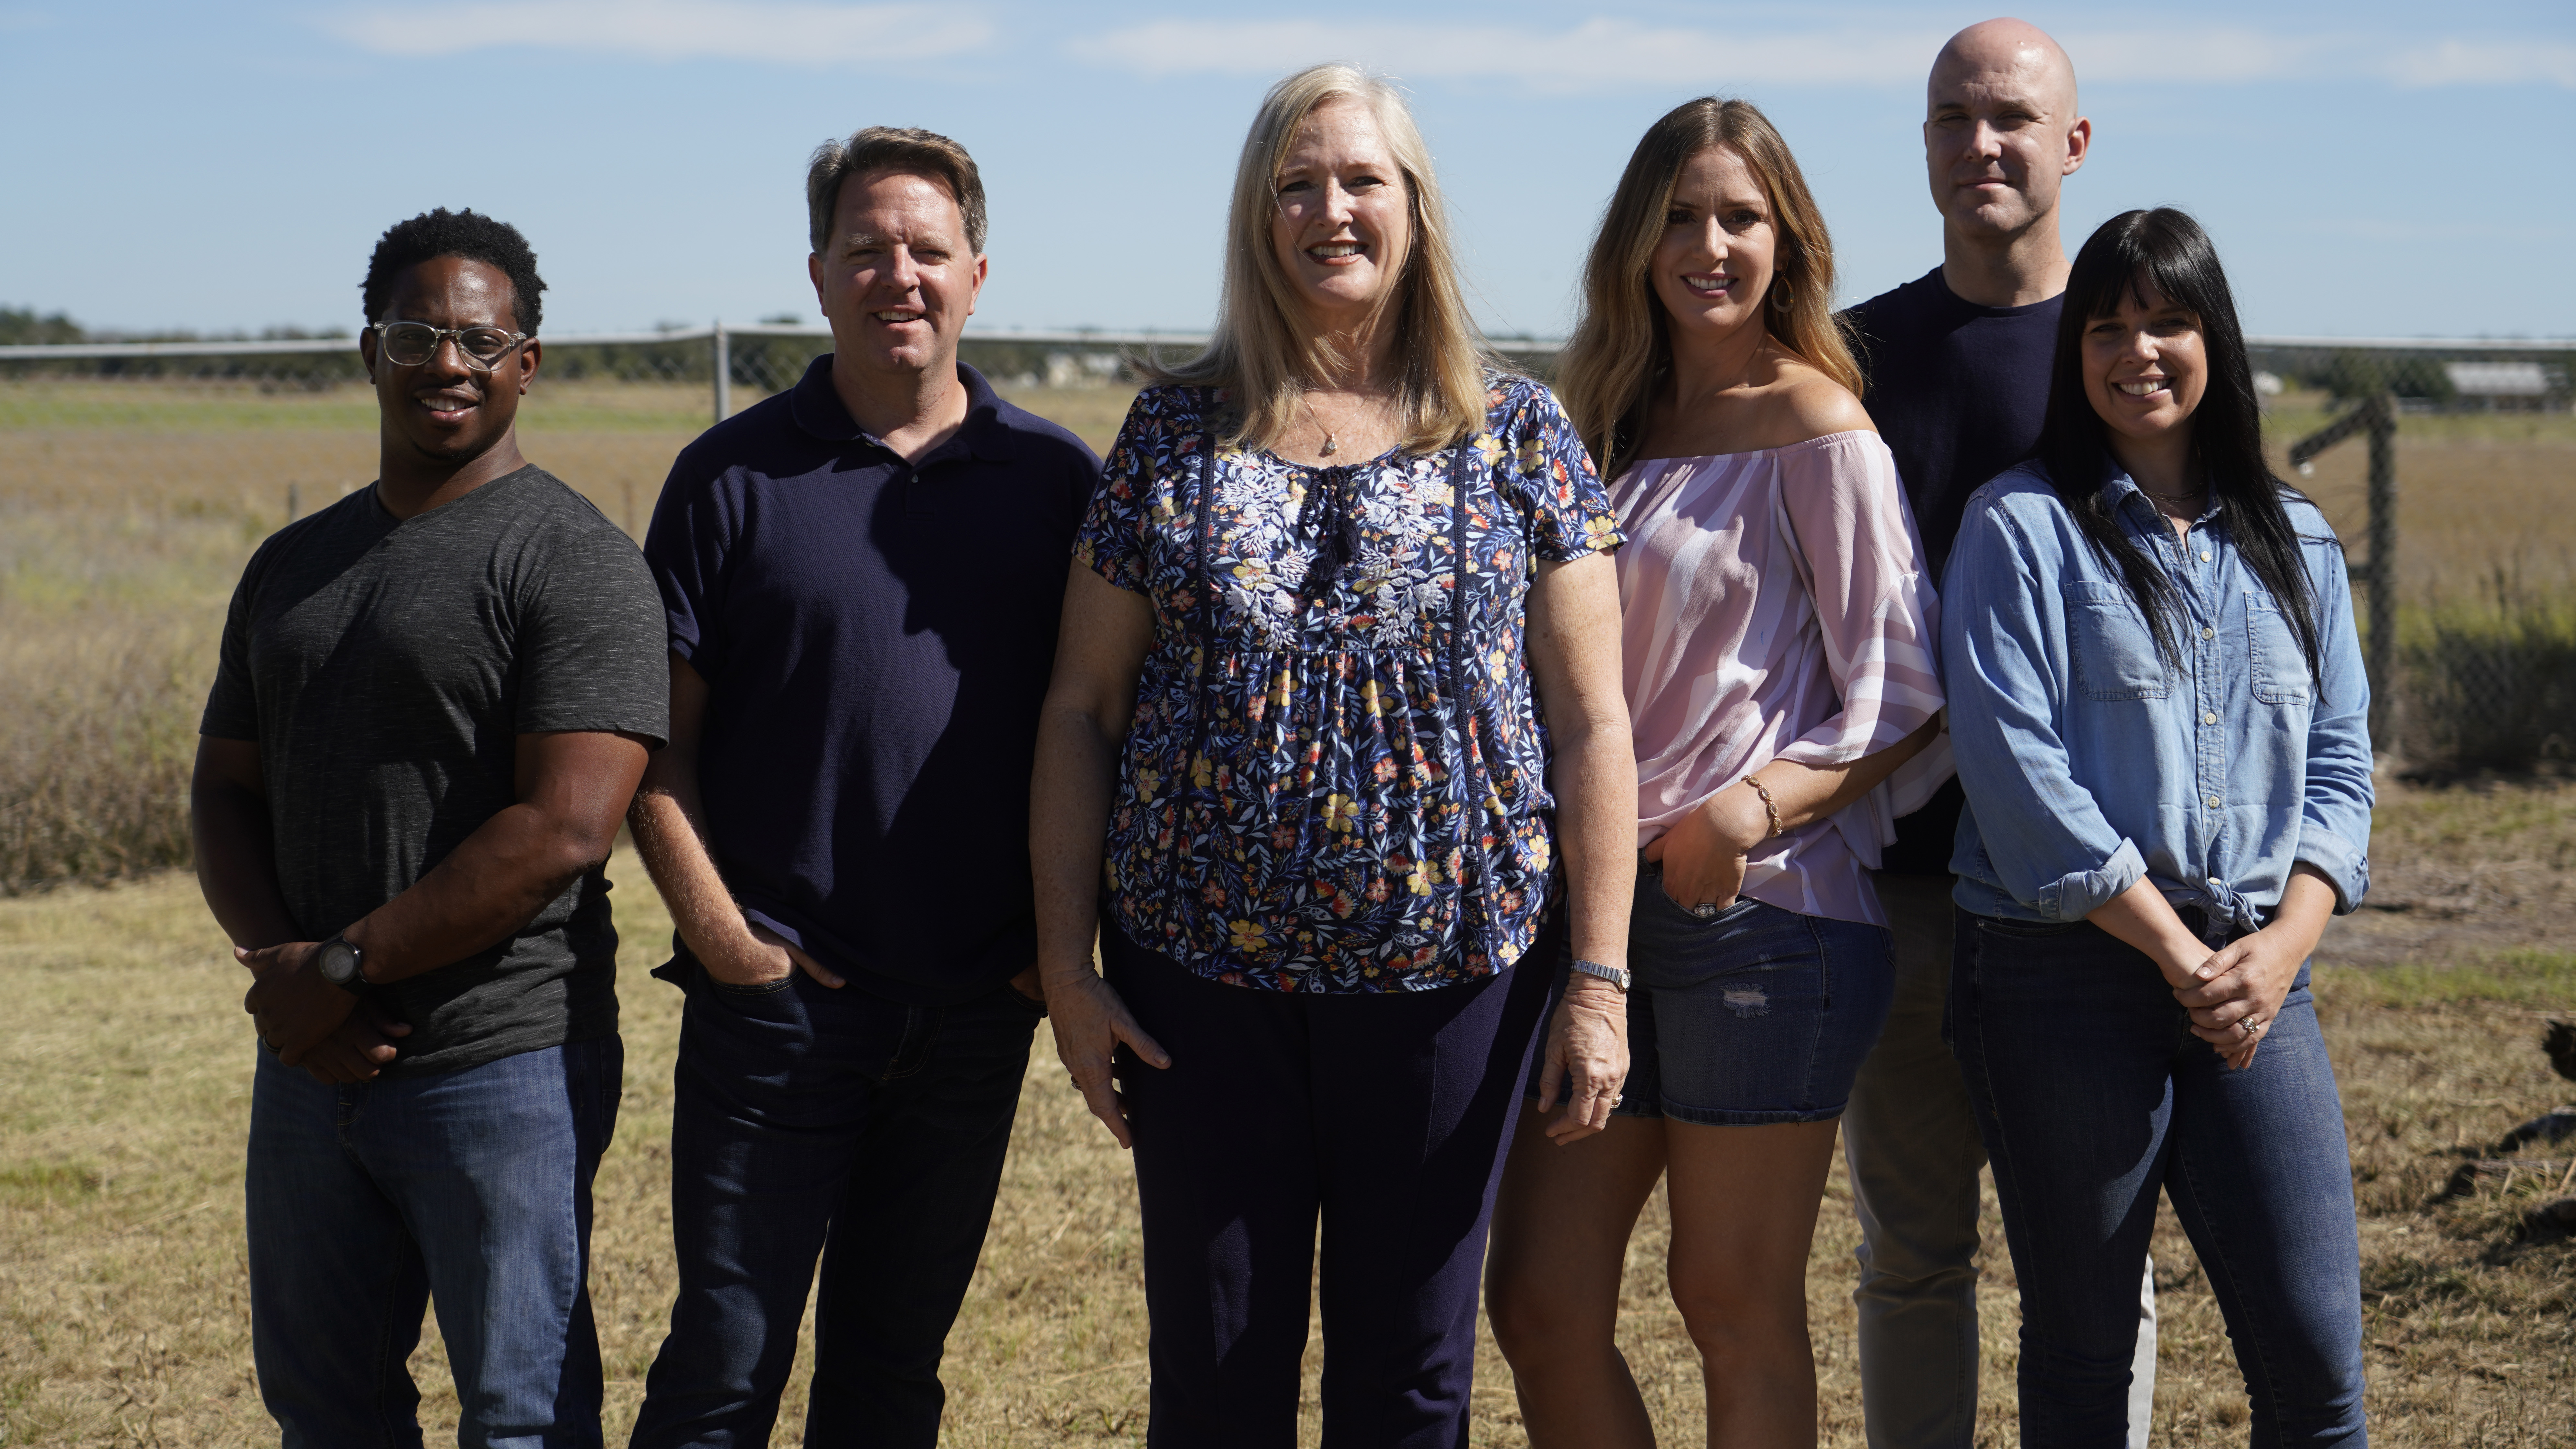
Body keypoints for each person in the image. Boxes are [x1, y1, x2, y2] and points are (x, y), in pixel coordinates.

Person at [1028, 63, 1637, 1448]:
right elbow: (1079, 708)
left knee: (1408, 1382)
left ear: (1414, 206)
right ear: (1257, 218)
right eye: (1294, 184)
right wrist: (1070, 970)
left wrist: (1597, 982)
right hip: (1199, 981)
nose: (1328, 209)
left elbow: (1593, 722)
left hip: (1449, 980)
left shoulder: (1517, 434)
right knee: (1216, 1368)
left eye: (1359, 178)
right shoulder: (1174, 431)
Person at [619, 127, 1101, 1447]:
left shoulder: (1058, 482)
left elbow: (1108, 728)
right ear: (819, 274)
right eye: (868, 249)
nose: (900, 274)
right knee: (724, 1358)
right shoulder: (730, 479)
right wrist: (726, 942)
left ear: (976, 274)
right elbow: (651, 748)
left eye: (927, 250)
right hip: (779, 1008)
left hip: (971, 1011)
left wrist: (1047, 958)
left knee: (891, 1372)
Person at [1487, 97, 1946, 1449]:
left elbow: (1910, 686)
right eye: (1679, 216)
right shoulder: (1605, 423)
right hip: (1599, 926)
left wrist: (1742, 814)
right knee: (1540, 1302)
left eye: (1738, 216)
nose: (1708, 243)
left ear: (1784, 241)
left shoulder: (1811, 418)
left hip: (1766, 920)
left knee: (1729, 1302)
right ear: (1636, 239)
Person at [193, 208, 669, 1446]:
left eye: (477, 337)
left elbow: (563, 828)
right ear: (369, 350)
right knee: (326, 1405)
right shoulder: (291, 565)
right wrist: (284, 973)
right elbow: (225, 788)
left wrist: (342, 968)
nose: (445, 362)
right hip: (308, 1062)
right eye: (416, 332)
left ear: (528, 362)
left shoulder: (578, 561)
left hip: (502, 1063)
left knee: (519, 1415)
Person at [1942, 206, 2373, 1447]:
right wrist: (2180, 959)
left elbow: (2340, 767)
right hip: (2058, 972)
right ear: (2074, 352)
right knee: (2083, 1349)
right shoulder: (2020, 528)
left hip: (2256, 974)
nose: (2140, 351)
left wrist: (2280, 948)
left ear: (2213, 340)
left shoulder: (2294, 537)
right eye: (2109, 327)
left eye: (2169, 321)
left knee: (2316, 1358)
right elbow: (2021, 778)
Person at [1835, 21, 2163, 1449]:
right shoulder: (1850, 356)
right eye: (1953, 119)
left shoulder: (2131, 360)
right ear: (1922, 146)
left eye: (2013, 119)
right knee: (1912, 1257)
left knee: (2098, 1270)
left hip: (2087, 899)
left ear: (2071, 145)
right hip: (1898, 891)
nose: (1983, 143)